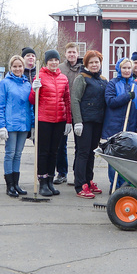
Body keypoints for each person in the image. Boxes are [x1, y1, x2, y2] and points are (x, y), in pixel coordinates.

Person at [29, 49, 72, 197]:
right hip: (44, 120)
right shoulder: (39, 76)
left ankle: (50, 182)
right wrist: (34, 89)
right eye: (51, 60)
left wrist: (69, 120)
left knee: (54, 151)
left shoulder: (63, 78)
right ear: (46, 61)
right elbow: (31, 100)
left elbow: (67, 100)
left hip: (59, 120)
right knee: (44, 152)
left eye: (56, 60)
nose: (54, 62)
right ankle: (42, 182)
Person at [101, 57, 137, 190]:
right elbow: (110, 101)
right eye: (124, 68)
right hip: (114, 126)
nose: (127, 70)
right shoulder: (113, 83)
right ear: (119, 69)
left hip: (131, 127)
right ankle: (114, 185)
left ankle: (125, 185)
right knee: (114, 158)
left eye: (129, 68)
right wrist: (127, 96)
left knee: (128, 159)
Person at [70, 50, 107, 198]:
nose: (94, 65)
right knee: (83, 152)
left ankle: (89, 179)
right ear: (86, 64)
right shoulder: (81, 78)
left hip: (97, 121)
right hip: (84, 122)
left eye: (96, 62)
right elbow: (75, 100)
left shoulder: (103, 80)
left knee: (92, 152)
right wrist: (77, 121)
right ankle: (80, 185)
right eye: (91, 62)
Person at [0, 55, 33, 198]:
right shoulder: (5, 83)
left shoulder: (27, 84)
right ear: (10, 68)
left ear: (24, 67)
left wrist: (33, 124)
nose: (18, 69)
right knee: (10, 154)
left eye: (20, 66)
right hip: (10, 124)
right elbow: (0, 106)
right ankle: (9, 185)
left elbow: (31, 106)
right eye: (15, 66)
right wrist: (1, 125)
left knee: (18, 154)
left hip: (24, 124)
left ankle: (16, 183)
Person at [55, 42, 82, 184]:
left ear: (78, 54)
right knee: (60, 145)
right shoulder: (60, 69)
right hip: (62, 111)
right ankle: (61, 172)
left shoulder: (83, 69)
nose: (72, 55)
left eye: (74, 52)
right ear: (65, 54)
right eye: (69, 52)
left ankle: (78, 174)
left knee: (80, 145)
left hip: (79, 111)